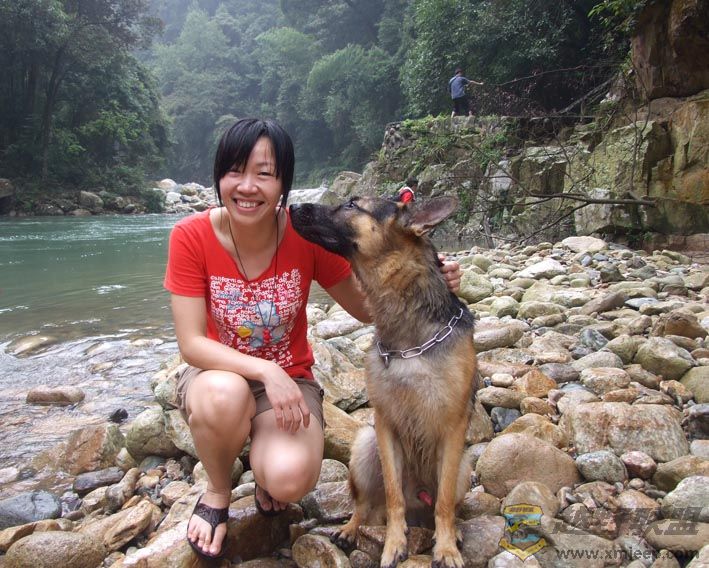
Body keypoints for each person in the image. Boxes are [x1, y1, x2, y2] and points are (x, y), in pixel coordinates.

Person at [163, 118, 463, 559]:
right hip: (218, 376)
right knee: (224, 395)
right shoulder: (191, 236)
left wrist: (428, 278)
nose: (247, 186)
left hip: (290, 386)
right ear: (218, 176)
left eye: (264, 174)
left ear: (283, 183)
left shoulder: (305, 237)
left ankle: (264, 467)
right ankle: (217, 491)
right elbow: (191, 344)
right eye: (235, 171)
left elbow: (367, 308)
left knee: (289, 479)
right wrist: (267, 370)